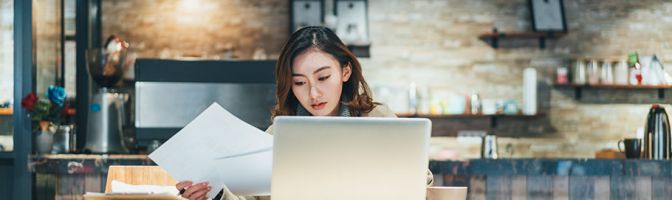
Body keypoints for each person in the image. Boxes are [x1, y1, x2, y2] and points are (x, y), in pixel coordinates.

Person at [176, 26, 433, 200]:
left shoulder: (376, 118)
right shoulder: (280, 133)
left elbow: (421, 183)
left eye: (323, 77)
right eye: (299, 82)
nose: (313, 94)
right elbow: (247, 197)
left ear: (345, 72)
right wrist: (215, 194)